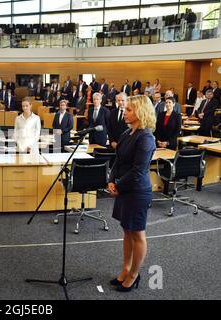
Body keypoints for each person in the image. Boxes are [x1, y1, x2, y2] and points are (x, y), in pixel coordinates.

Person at [108, 95, 156, 292]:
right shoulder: (127, 133)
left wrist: (118, 185)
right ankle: (125, 269)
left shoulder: (146, 137)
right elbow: (118, 160)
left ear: (140, 112)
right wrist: (111, 180)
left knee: (137, 233)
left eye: (128, 110)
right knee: (126, 231)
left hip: (137, 191)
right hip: (124, 188)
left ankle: (134, 274)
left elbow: (138, 170)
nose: (125, 112)